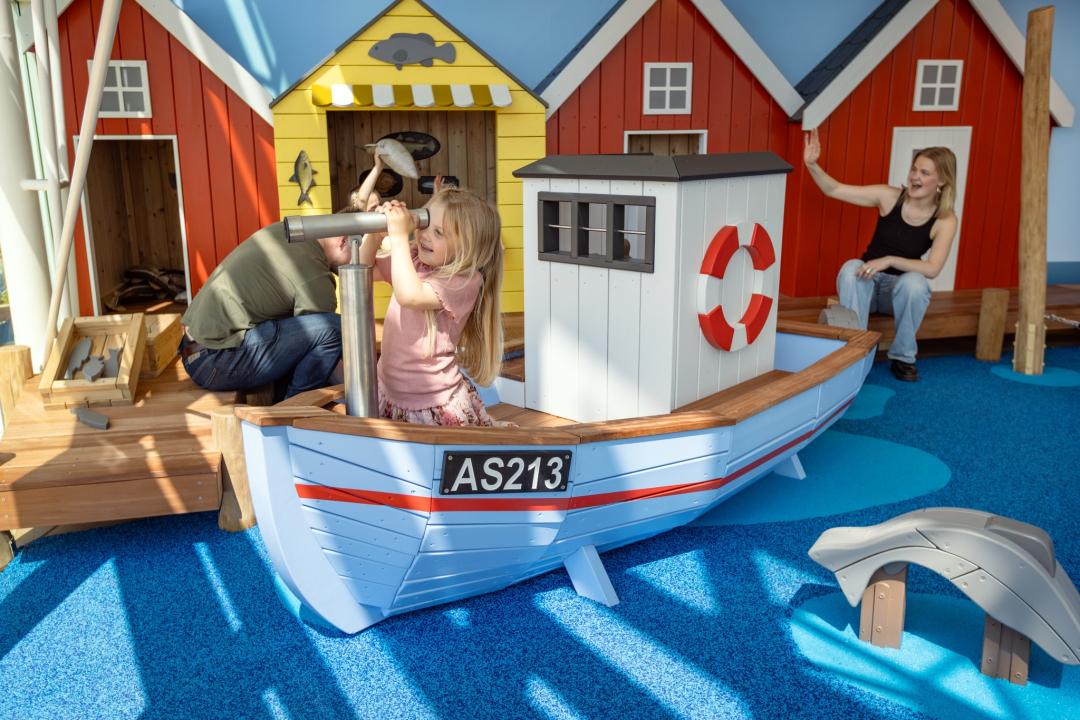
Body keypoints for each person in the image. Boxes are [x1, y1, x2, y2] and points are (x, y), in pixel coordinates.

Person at [180, 157, 386, 399]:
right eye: (356, 257)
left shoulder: (293, 233)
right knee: (335, 328)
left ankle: (286, 399)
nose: (353, 266)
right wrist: (369, 394)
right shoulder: (314, 273)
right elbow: (330, 343)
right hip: (216, 361)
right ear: (343, 241)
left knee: (312, 335)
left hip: (197, 351)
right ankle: (295, 407)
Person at [803, 128, 958, 382]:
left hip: (897, 292)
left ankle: (903, 357)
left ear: (941, 181)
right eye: (914, 169)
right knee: (851, 268)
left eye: (924, 173)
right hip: (867, 284)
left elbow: (933, 268)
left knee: (916, 283)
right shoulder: (889, 197)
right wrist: (812, 165)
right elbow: (834, 190)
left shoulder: (945, 219)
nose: (915, 177)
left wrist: (889, 260)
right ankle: (854, 352)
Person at [354, 187, 504, 426]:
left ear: (466, 247)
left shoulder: (464, 281)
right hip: (391, 390)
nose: (424, 235)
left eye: (439, 232)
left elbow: (410, 296)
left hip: (430, 403)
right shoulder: (414, 259)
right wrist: (375, 236)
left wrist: (399, 238)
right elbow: (362, 269)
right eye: (424, 224)